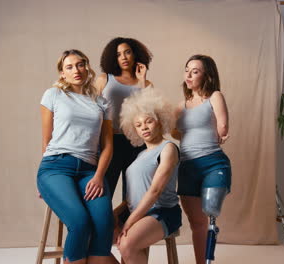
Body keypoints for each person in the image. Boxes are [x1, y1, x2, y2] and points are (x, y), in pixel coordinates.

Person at [37, 49, 118, 264]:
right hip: (56, 167)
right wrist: (46, 184)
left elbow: (107, 146)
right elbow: (46, 140)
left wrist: (100, 176)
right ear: (62, 73)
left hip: (89, 171)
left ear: (87, 67)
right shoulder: (53, 94)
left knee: (104, 223)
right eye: (69, 67)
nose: (76, 70)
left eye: (80, 65)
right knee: (80, 222)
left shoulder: (101, 103)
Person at [172, 54, 231, 264]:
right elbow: (173, 132)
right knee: (197, 222)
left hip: (213, 163)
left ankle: (210, 243)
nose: (188, 74)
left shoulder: (214, 96)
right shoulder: (181, 106)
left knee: (210, 211)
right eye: (187, 69)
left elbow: (223, 127)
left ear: (207, 75)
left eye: (195, 71)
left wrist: (221, 133)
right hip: (188, 167)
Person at [116, 89, 182, 264]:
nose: (143, 127)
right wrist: (116, 213)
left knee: (127, 244)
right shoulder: (139, 156)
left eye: (148, 121)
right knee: (94, 234)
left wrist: (130, 221)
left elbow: (155, 191)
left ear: (160, 121)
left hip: (162, 212)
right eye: (138, 125)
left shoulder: (168, 148)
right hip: (135, 213)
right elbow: (133, 193)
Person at [95, 37, 154, 198]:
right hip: (109, 142)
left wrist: (141, 82)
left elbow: (150, 116)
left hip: (137, 143)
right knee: (103, 193)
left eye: (127, 52)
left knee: (133, 197)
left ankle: (128, 224)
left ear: (135, 54)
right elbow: (92, 111)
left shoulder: (147, 84)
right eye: (118, 54)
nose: (123, 57)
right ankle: (105, 224)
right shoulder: (104, 79)